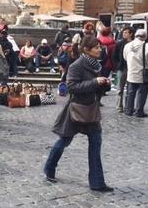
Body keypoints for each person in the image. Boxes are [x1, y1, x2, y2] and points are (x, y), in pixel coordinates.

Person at [44, 35, 113, 192]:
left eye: (100, 47)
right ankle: (49, 167)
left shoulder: (97, 66)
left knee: (95, 144)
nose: (100, 49)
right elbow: (72, 87)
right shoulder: (77, 65)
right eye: (97, 47)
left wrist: (105, 84)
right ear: (87, 50)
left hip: (92, 110)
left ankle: (97, 182)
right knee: (64, 141)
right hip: (77, 110)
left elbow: (97, 88)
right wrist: (95, 82)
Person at [123, 29, 148, 117]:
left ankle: (128, 110)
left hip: (131, 72)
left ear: (135, 35)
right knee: (142, 93)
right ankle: (139, 111)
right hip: (143, 73)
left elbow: (125, 58)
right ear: (145, 37)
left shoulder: (127, 46)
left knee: (130, 92)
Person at [113, 27, 135, 112]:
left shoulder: (134, 44)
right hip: (122, 68)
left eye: (126, 32)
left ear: (131, 34)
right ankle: (119, 106)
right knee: (120, 88)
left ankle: (129, 106)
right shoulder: (119, 43)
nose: (124, 34)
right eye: (123, 32)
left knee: (131, 88)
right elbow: (114, 56)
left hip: (132, 68)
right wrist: (117, 65)